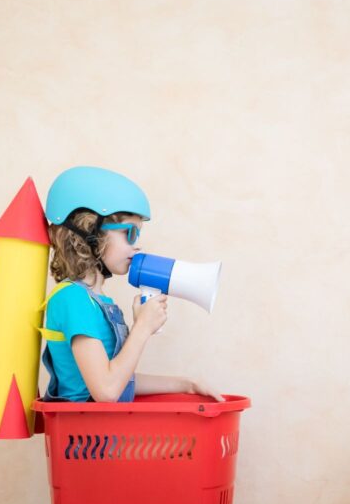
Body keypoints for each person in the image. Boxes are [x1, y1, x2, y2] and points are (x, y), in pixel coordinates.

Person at [40, 166, 221, 403]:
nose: (137, 246)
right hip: (84, 436)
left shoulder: (97, 302)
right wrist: (142, 327)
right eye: (130, 233)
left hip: (104, 436)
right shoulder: (73, 299)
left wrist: (187, 385)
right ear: (89, 232)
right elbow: (106, 390)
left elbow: (121, 381)